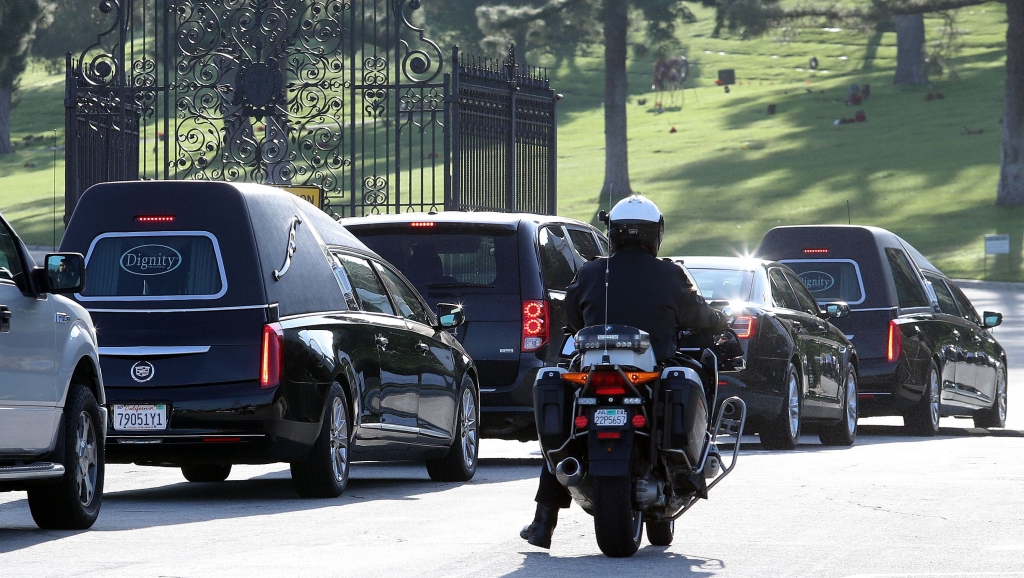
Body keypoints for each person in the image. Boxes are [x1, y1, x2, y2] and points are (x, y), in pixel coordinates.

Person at [520, 195, 728, 549]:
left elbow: (573, 316)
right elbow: (697, 314)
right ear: (655, 234)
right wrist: (718, 321)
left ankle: (544, 522)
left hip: (591, 369)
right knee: (699, 373)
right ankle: (691, 469)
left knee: (568, 425)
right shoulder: (670, 272)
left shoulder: (589, 271)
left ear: (613, 232)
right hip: (653, 370)